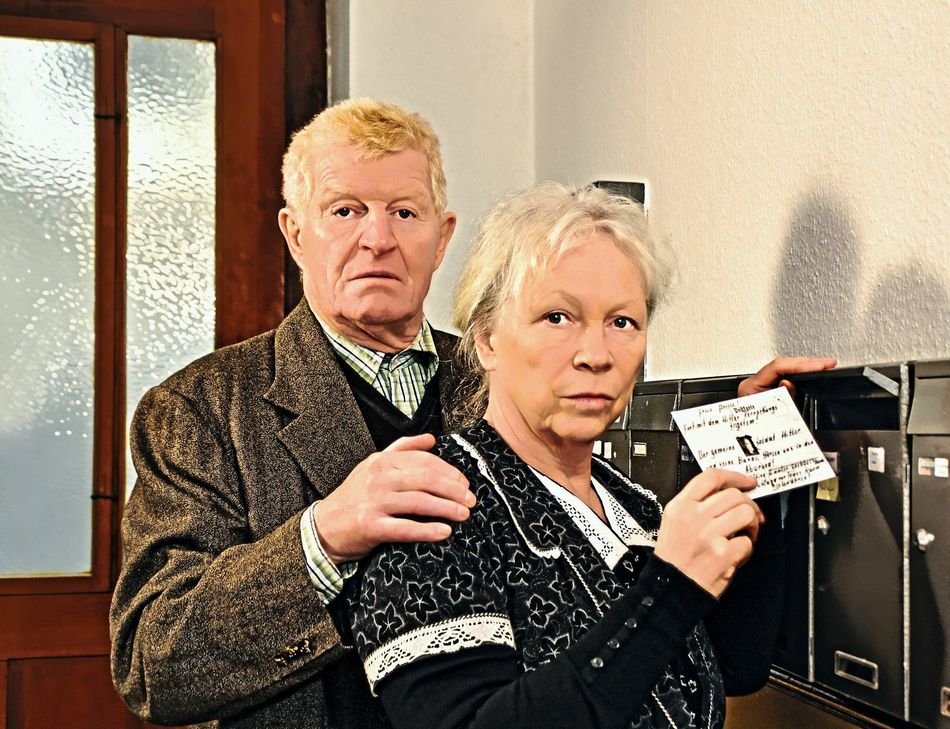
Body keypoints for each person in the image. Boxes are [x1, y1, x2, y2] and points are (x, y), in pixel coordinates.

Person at [110, 97, 835, 728]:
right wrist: (321, 539)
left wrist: (755, 447)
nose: (377, 238)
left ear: (443, 234)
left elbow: (681, 643)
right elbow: (153, 665)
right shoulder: (200, 410)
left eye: (404, 212)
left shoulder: (522, 379)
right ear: (295, 233)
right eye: (344, 211)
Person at [345, 182, 811, 729]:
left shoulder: (630, 503)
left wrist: (756, 452)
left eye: (622, 322)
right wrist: (671, 584)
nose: (596, 355)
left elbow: (734, 665)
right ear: (488, 339)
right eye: (557, 318)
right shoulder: (434, 505)